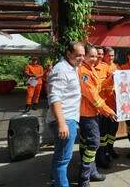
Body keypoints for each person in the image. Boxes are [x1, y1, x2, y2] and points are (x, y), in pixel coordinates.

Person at [46, 42, 85, 187]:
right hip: (64, 120)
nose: (81, 58)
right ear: (68, 54)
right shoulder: (61, 69)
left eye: (82, 55)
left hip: (68, 119)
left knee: (60, 156)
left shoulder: (72, 67)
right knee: (62, 161)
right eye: (78, 55)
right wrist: (62, 123)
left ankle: (56, 181)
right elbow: (54, 98)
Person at [78, 44, 117, 187]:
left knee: (91, 144)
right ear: (85, 57)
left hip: (93, 112)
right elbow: (93, 96)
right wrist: (108, 110)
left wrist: (110, 79)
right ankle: (84, 178)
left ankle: (92, 172)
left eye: (95, 56)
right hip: (87, 113)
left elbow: (98, 88)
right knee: (94, 143)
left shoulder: (91, 69)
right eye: (91, 56)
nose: (94, 59)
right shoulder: (84, 72)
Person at [97, 47, 120, 168]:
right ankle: (103, 152)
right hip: (104, 107)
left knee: (113, 130)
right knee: (103, 133)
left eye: (112, 55)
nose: (111, 58)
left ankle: (110, 149)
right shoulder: (99, 67)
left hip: (115, 105)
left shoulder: (116, 67)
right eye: (109, 56)